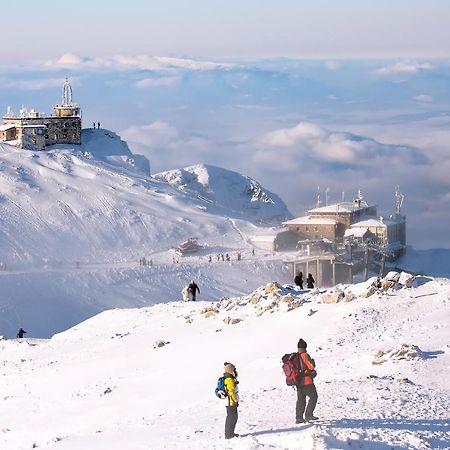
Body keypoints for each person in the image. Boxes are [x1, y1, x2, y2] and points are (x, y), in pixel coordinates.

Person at [295, 338, 318, 423]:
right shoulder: (304, 355)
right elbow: (311, 366)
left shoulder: (296, 356)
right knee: (314, 397)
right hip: (307, 381)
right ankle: (308, 415)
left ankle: (299, 418)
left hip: (298, 382)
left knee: (301, 400)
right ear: (305, 346)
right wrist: (312, 361)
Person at [223, 362, 239, 439]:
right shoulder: (229, 379)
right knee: (232, 418)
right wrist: (235, 401)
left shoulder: (229, 378)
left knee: (232, 417)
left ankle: (230, 433)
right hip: (231, 401)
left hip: (230, 401)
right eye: (233, 370)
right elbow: (231, 391)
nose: (235, 371)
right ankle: (229, 434)